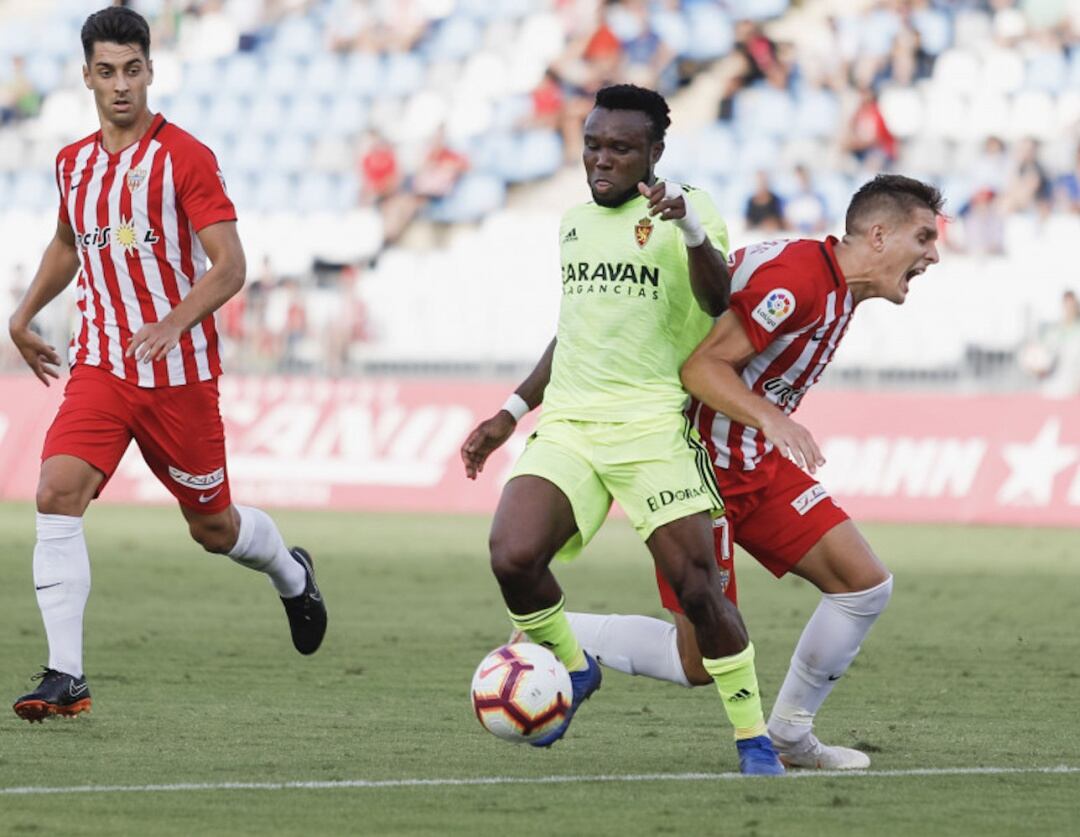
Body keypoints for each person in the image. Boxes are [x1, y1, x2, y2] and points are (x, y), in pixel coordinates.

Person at [470, 174, 943, 771]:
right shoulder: (797, 281)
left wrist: (763, 425)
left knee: (864, 586)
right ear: (878, 235)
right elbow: (701, 369)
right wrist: (773, 418)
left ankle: (791, 735)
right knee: (698, 663)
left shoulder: (831, 284)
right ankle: (557, 634)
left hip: (752, 460)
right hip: (697, 468)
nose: (933, 253)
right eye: (923, 237)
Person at [7, 6, 327, 723]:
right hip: (101, 367)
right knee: (56, 492)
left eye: (132, 69)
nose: (120, 84)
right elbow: (69, 242)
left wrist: (171, 321)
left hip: (179, 377)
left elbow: (231, 265)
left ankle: (290, 571)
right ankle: (67, 676)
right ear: (86, 76)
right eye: (105, 71)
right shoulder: (73, 162)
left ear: (150, 70)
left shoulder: (183, 156)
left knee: (212, 528)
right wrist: (22, 316)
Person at [460, 84, 784, 775]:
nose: (602, 161)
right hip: (571, 424)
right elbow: (574, 328)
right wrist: (511, 412)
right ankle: (578, 669)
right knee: (510, 555)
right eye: (593, 145)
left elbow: (718, 297)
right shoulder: (574, 221)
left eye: (620, 149)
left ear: (654, 153)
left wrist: (690, 227)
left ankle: (753, 735)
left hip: (651, 431)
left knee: (699, 589)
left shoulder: (689, 212)